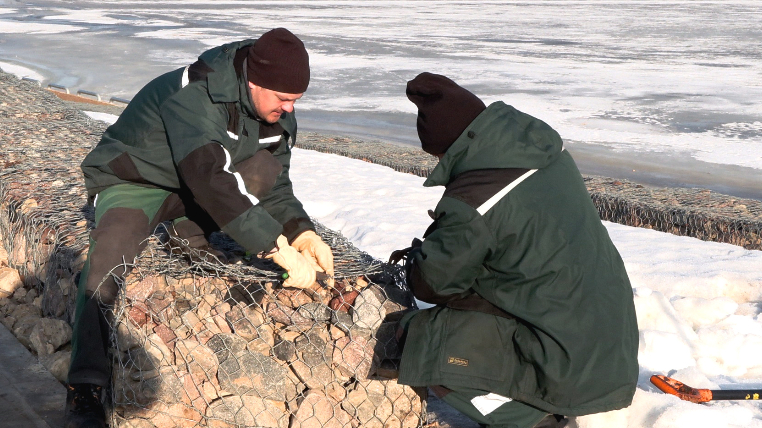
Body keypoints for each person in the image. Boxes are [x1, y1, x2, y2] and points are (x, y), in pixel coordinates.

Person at [65, 28, 334, 427]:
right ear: (255, 82)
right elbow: (209, 176)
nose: (291, 109)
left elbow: (274, 183)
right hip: (136, 178)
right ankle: (85, 386)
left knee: (260, 167)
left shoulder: (272, 110)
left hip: (189, 185)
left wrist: (300, 231)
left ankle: (184, 227)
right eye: (284, 99)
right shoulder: (197, 92)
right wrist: (274, 247)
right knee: (108, 262)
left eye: (296, 100)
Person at [390, 72, 639, 428]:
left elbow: (432, 284)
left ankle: (531, 421)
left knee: (423, 341)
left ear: (447, 148)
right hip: (612, 339)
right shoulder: (545, 153)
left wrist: (424, 254)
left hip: (568, 360)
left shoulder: (475, 199)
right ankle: (534, 399)